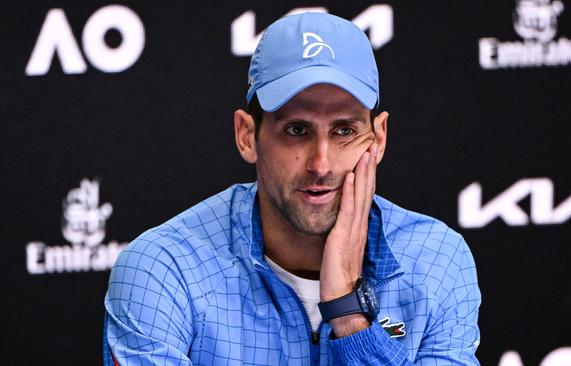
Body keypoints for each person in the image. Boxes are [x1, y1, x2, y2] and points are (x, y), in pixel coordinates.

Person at [103, 12, 480, 365]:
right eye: (296, 130)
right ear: (247, 136)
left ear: (378, 138)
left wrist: (349, 310)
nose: (321, 164)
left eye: (344, 131)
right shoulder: (163, 269)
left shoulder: (436, 261)